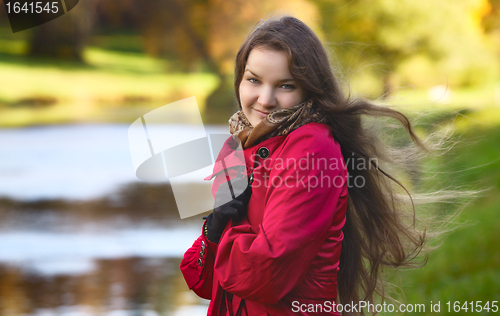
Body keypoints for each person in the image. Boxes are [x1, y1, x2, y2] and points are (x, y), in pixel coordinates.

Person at [181, 15, 428, 316]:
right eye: (254, 79)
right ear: (239, 78)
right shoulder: (237, 148)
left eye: (285, 85)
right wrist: (214, 228)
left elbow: (264, 276)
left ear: (309, 90)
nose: (265, 99)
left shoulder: (312, 150)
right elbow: (205, 282)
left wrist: (225, 239)